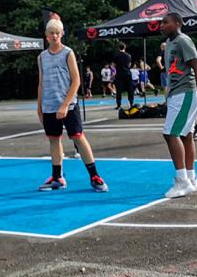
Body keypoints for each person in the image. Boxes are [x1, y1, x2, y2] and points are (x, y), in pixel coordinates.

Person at [36, 19, 108, 193]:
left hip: (68, 105)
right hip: (49, 105)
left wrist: (65, 104)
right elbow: (41, 82)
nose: (54, 35)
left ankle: (94, 176)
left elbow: (76, 81)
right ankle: (57, 176)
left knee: (77, 136)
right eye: (51, 33)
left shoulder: (68, 53)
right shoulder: (41, 57)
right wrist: (39, 107)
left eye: (57, 32)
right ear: (46, 36)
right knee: (54, 139)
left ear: (62, 34)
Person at [160, 13, 197, 199]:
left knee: (170, 134)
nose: (161, 25)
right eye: (161, 23)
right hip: (177, 93)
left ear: (178, 23)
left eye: (166, 22)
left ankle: (182, 181)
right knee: (187, 135)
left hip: (186, 93)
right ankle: (191, 177)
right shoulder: (170, 43)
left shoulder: (183, 40)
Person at [112, 42, 135, 110]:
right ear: (124, 48)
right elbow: (129, 65)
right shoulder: (129, 55)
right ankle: (131, 103)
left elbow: (113, 65)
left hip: (119, 74)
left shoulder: (116, 56)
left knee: (119, 90)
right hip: (127, 73)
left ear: (118, 48)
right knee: (130, 89)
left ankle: (119, 105)